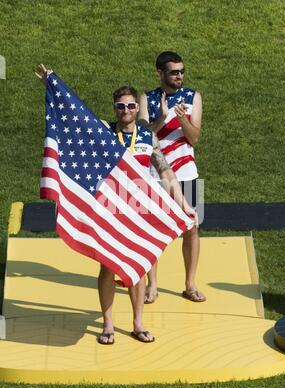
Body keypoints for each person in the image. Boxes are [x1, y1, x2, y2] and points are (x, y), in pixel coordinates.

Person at [36, 65, 197, 344]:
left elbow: (166, 173)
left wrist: (184, 205)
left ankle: (137, 323)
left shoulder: (149, 137)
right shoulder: (103, 133)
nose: (125, 110)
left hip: (139, 210)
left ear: (137, 108)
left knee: (137, 266)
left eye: (131, 106)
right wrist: (53, 85)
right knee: (108, 267)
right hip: (108, 211)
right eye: (120, 106)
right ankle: (108, 325)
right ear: (115, 108)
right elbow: (74, 119)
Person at [138, 51, 206, 304]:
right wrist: (162, 117)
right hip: (154, 173)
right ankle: (152, 285)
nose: (179, 76)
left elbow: (194, 138)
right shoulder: (146, 98)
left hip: (187, 171)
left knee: (192, 227)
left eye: (182, 71)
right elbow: (143, 136)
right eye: (174, 72)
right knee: (153, 228)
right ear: (159, 73)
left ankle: (190, 284)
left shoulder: (192, 97)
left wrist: (180, 118)